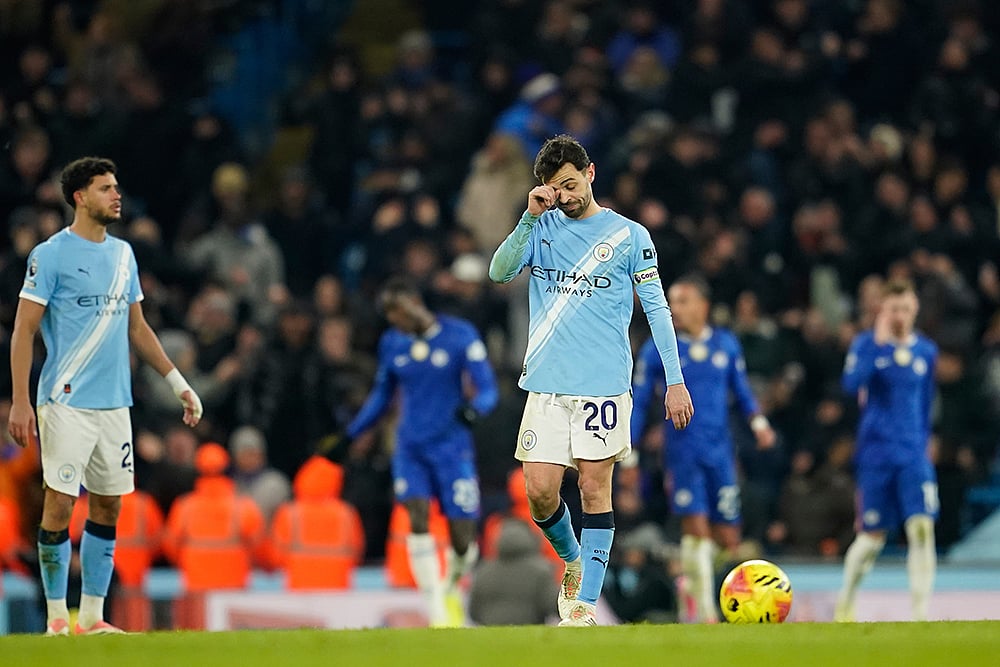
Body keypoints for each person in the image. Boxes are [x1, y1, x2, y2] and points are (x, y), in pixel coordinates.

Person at [488, 134, 694, 627]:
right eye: (556, 188)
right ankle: (575, 561)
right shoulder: (541, 227)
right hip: (546, 384)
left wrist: (675, 379)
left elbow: (658, 310)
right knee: (539, 491)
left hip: (602, 386)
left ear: (591, 173)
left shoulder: (630, 236)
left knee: (595, 490)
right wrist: (528, 216)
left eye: (571, 183)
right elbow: (499, 272)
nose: (566, 194)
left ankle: (582, 605)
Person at [7, 157, 203, 636]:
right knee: (59, 503)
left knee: (110, 505)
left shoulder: (123, 256)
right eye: (105, 188)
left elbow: (138, 328)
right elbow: (22, 331)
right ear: (79, 197)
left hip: (115, 405)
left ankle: (93, 617)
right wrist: (19, 401)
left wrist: (178, 382)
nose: (117, 196)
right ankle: (57, 617)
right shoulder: (50, 255)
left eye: (116, 187)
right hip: (65, 401)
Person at [325, 277, 499, 627]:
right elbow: (381, 395)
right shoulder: (393, 343)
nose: (396, 324)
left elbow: (488, 388)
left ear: (414, 303)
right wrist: (351, 435)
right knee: (416, 515)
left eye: (399, 314)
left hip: (452, 447)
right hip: (410, 447)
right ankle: (435, 603)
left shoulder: (459, 335)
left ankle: (450, 583)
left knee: (462, 536)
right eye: (391, 318)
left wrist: (474, 409)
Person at [631, 274, 775, 623]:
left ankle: (689, 583)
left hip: (720, 452)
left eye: (682, 301)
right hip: (682, 452)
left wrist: (759, 424)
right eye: (671, 302)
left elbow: (740, 390)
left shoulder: (725, 344)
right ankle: (705, 612)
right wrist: (631, 449)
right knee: (695, 527)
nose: (674, 309)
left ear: (703, 306)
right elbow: (638, 402)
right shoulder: (659, 348)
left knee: (728, 537)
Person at [835, 279, 939, 622]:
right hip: (876, 455)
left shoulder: (926, 351)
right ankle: (845, 603)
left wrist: (924, 443)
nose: (901, 316)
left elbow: (925, 405)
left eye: (907, 309)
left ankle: (921, 613)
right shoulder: (867, 345)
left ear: (915, 310)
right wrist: (878, 344)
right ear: (882, 310)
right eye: (894, 309)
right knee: (872, 537)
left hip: (912, 455)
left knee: (921, 527)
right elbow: (851, 385)